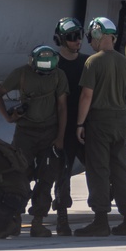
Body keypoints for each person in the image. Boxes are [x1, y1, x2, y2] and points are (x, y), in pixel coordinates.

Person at [0, 45, 68, 237]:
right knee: (19, 176)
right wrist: (9, 118)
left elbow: (62, 107)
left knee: (46, 178)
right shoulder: (21, 74)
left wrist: (60, 137)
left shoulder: (58, 76)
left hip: (49, 134)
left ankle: (38, 221)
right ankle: (15, 219)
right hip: (25, 133)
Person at [75, 16, 126, 237]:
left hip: (99, 123)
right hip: (119, 123)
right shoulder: (125, 62)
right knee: (122, 170)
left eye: (91, 36)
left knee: (98, 171)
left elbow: (86, 96)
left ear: (97, 34)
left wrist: (80, 123)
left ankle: (100, 221)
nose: (90, 42)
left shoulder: (93, 62)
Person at [52, 17, 90, 236]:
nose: (77, 41)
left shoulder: (88, 62)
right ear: (60, 39)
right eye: (72, 37)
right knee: (61, 174)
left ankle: (101, 216)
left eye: (79, 36)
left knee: (96, 171)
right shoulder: (52, 64)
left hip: (85, 126)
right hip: (62, 128)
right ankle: (62, 218)